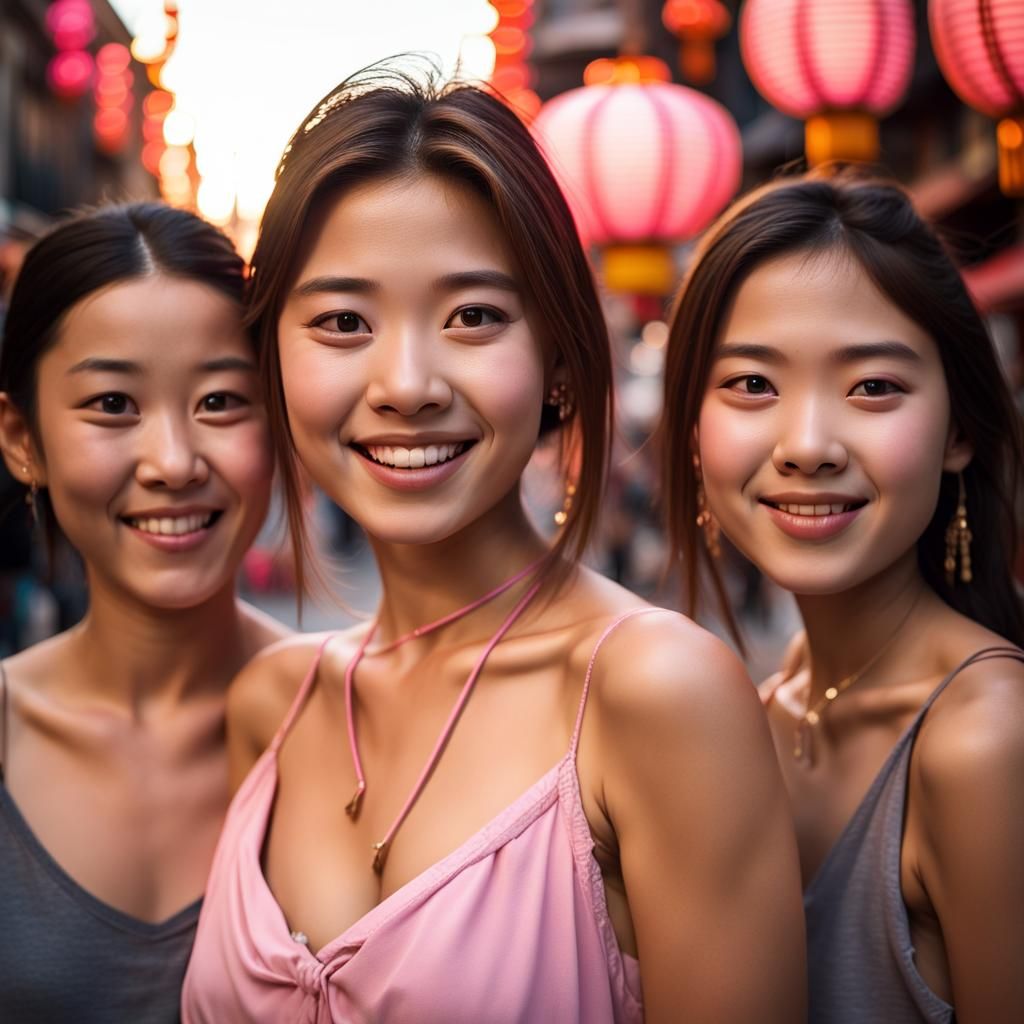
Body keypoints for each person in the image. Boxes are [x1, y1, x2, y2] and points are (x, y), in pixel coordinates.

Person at [181, 67, 805, 1023]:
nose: (407, 383)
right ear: (273, 359)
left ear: (558, 359)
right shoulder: (274, 704)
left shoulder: (655, 694)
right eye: (343, 321)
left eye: (472, 315)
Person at [662, 168, 1024, 1024]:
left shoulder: (985, 739)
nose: (810, 445)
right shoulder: (769, 704)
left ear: (959, 431)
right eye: (752, 384)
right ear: (692, 433)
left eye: (873, 387)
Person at [0, 202, 288, 1023]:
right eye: (113, 406)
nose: (172, 461)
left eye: (222, 402)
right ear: (23, 439)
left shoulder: (353, 727)